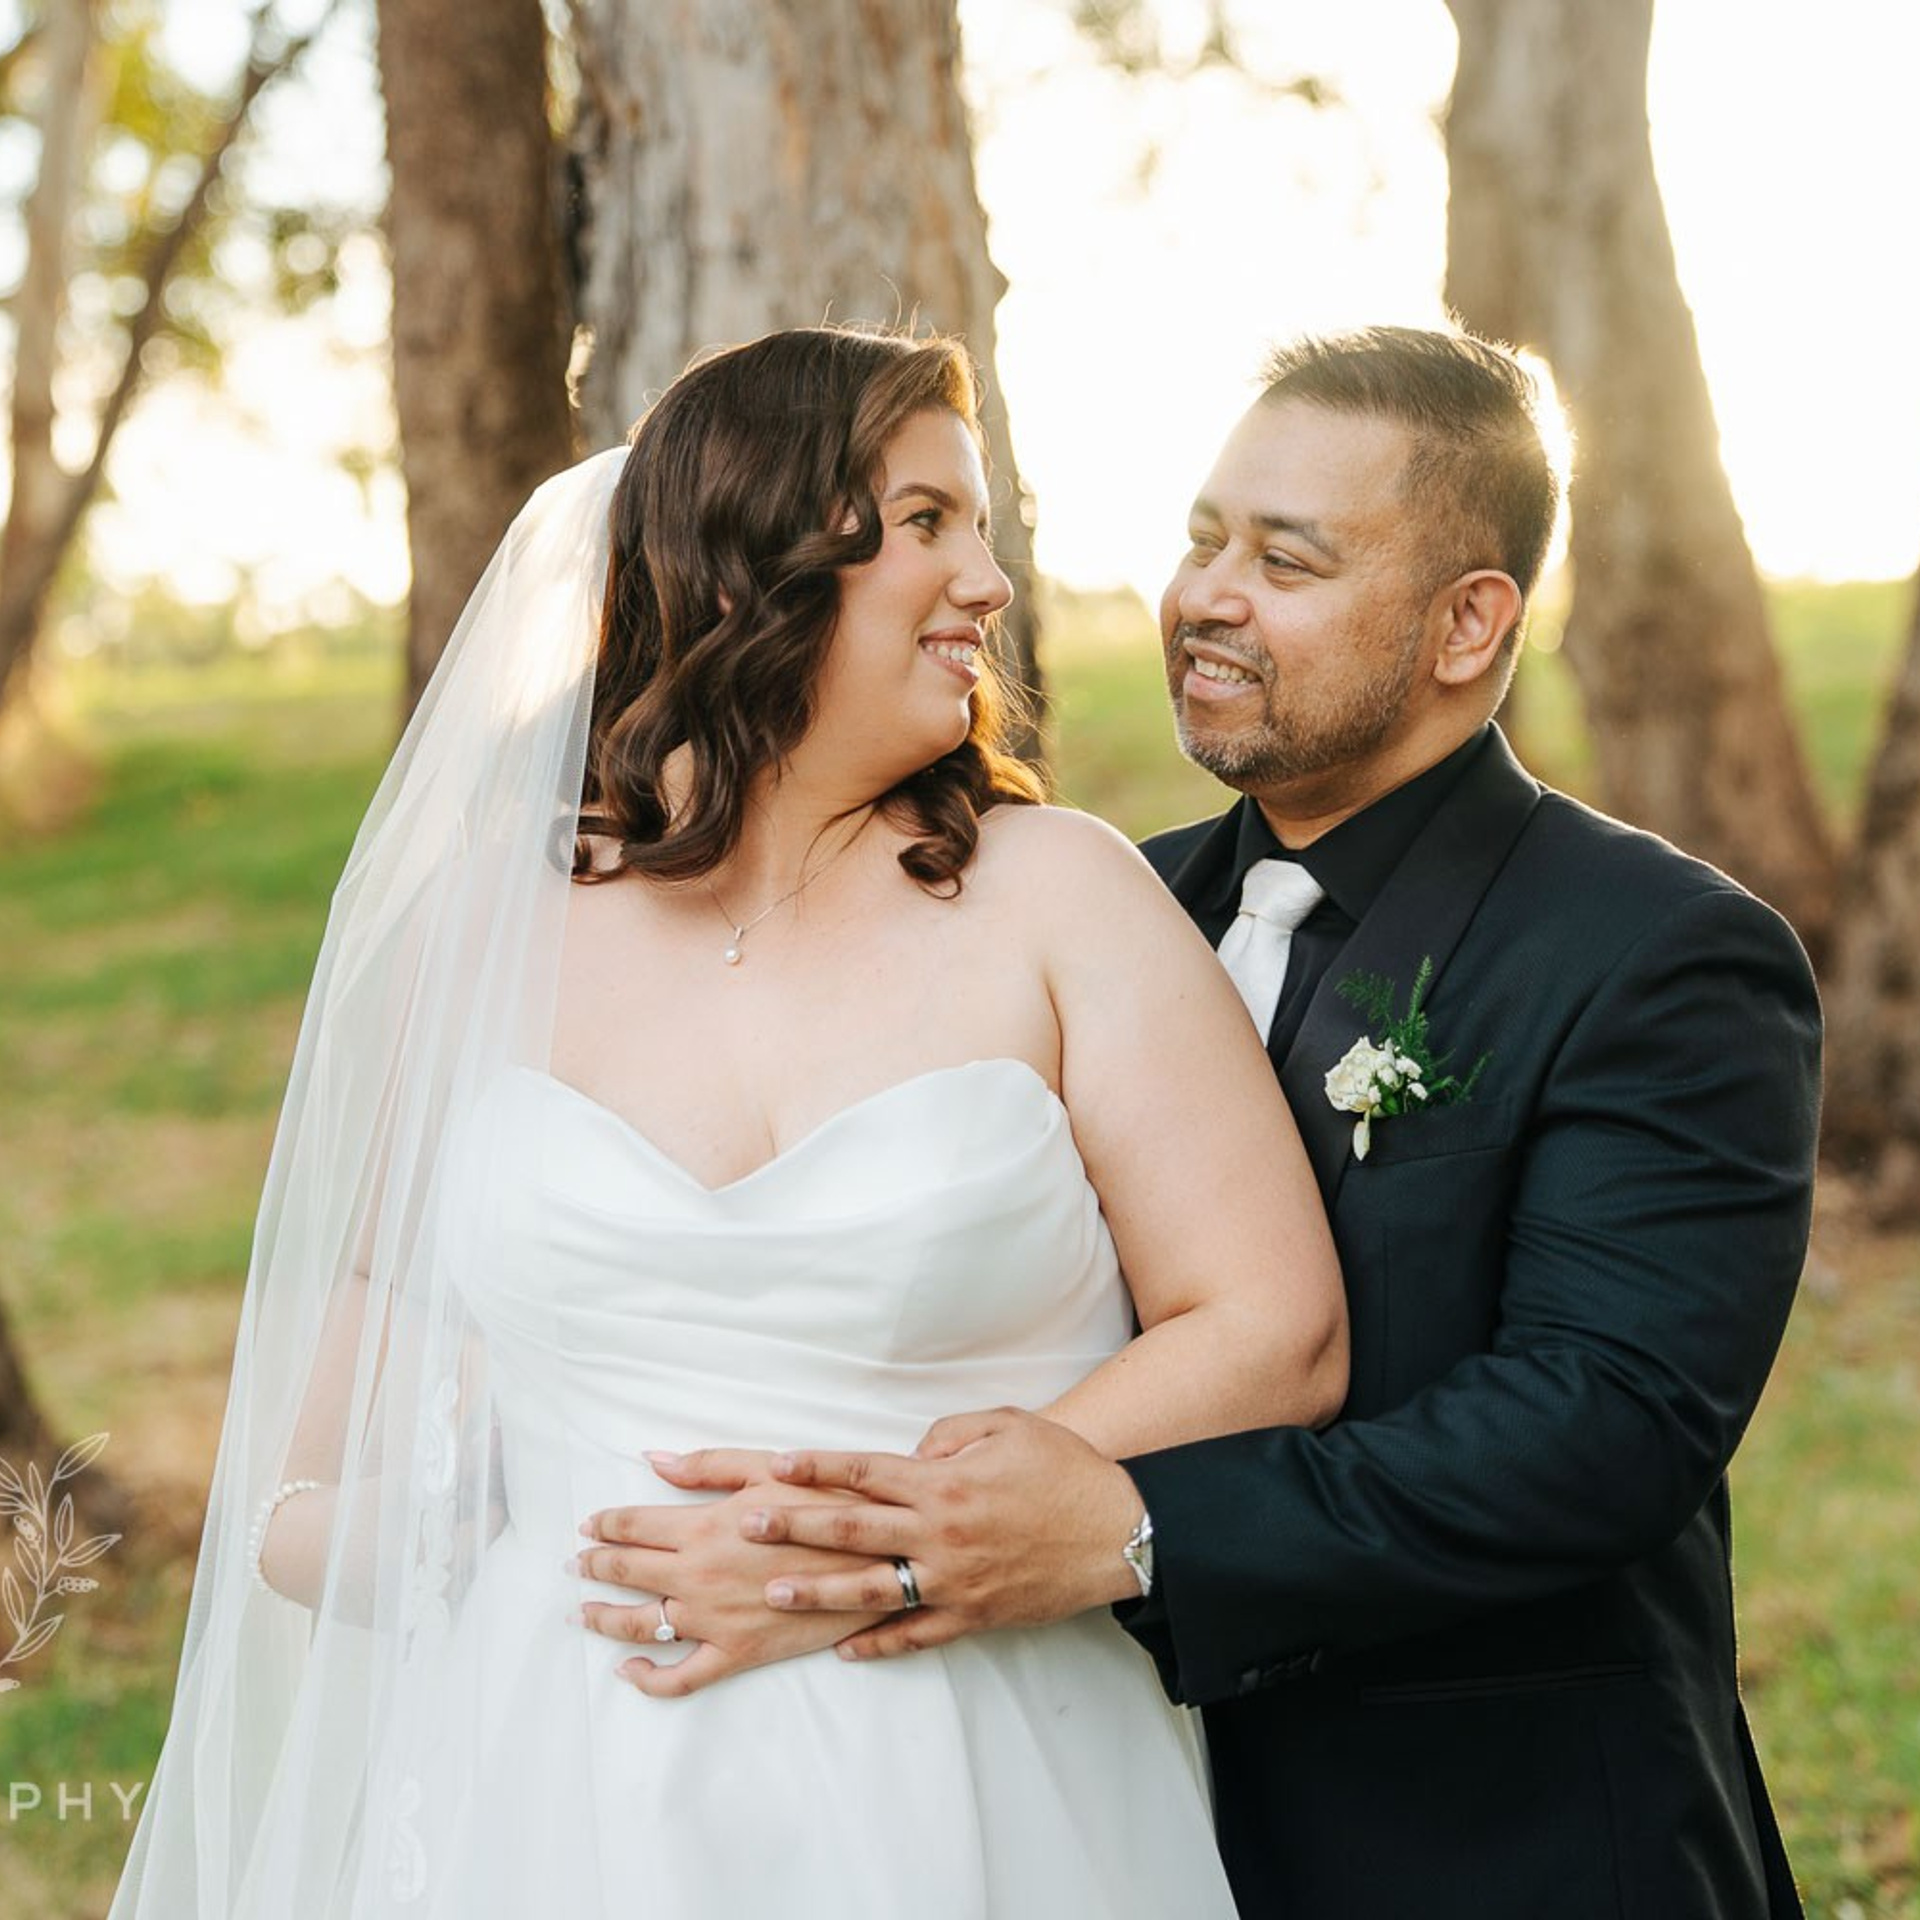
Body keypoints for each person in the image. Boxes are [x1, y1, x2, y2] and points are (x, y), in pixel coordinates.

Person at [106, 326, 1347, 1918]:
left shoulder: (1064, 895)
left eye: (980, 527)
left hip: (977, 1757)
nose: (988, 582)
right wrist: (450, 1525)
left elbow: (1273, 1329)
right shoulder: (487, 929)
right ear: (740, 565)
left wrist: (866, 1554)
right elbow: (307, 1487)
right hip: (550, 1774)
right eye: (925, 525)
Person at [613, 327, 1822, 1918]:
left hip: (1485, 1840)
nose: (1207, 597)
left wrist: (1135, 1532)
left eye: (1287, 560)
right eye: (1204, 538)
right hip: (1073, 1804)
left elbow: (1603, 1425)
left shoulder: (1655, 953)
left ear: (1470, 623)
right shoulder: (1078, 902)